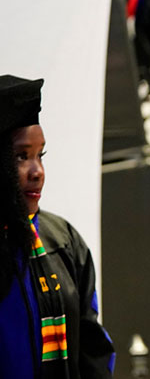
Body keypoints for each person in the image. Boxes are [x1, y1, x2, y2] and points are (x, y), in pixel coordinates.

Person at [0, 76, 115, 378]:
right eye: (21, 156)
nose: (37, 171)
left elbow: (93, 347)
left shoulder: (62, 240)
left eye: (41, 155)